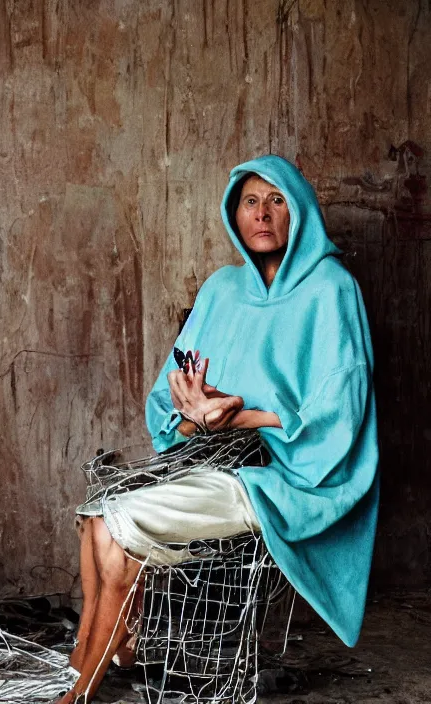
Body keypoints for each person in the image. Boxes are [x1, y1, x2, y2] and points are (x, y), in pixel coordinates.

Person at [57, 155, 379, 703]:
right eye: (251, 201)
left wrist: (240, 415)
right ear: (235, 212)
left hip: (283, 475)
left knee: (117, 520)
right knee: (96, 512)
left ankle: (80, 689)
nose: (262, 213)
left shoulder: (332, 289)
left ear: (298, 212)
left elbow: (341, 415)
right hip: (213, 457)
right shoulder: (223, 289)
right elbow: (171, 397)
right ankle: (107, 647)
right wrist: (193, 412)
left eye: (277, 200)